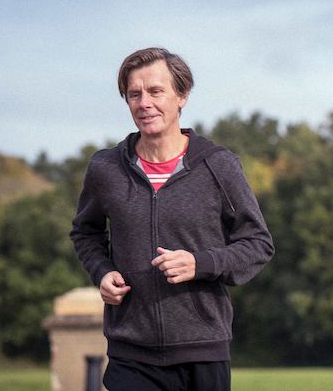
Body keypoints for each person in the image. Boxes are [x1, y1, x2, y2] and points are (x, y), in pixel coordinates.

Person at [71, 47, 274, 391]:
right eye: (134, 94)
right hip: (131, 353)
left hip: (203, 352)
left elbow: (258, 244)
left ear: (182, 96)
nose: (144, 103)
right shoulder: (106, 169)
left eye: (155, 91)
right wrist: (102, 272)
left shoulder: (218, 166)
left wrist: (201, 263)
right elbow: (85, 233)